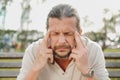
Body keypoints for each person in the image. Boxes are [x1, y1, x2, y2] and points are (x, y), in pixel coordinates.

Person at [17, 4, 110, 80]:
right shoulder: (34, 51)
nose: (61, 41)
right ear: (47, 34)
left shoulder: (93, 50)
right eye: (55, 33)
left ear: (80, 34)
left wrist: (86, 70)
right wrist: (35, 68)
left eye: (68, 33)